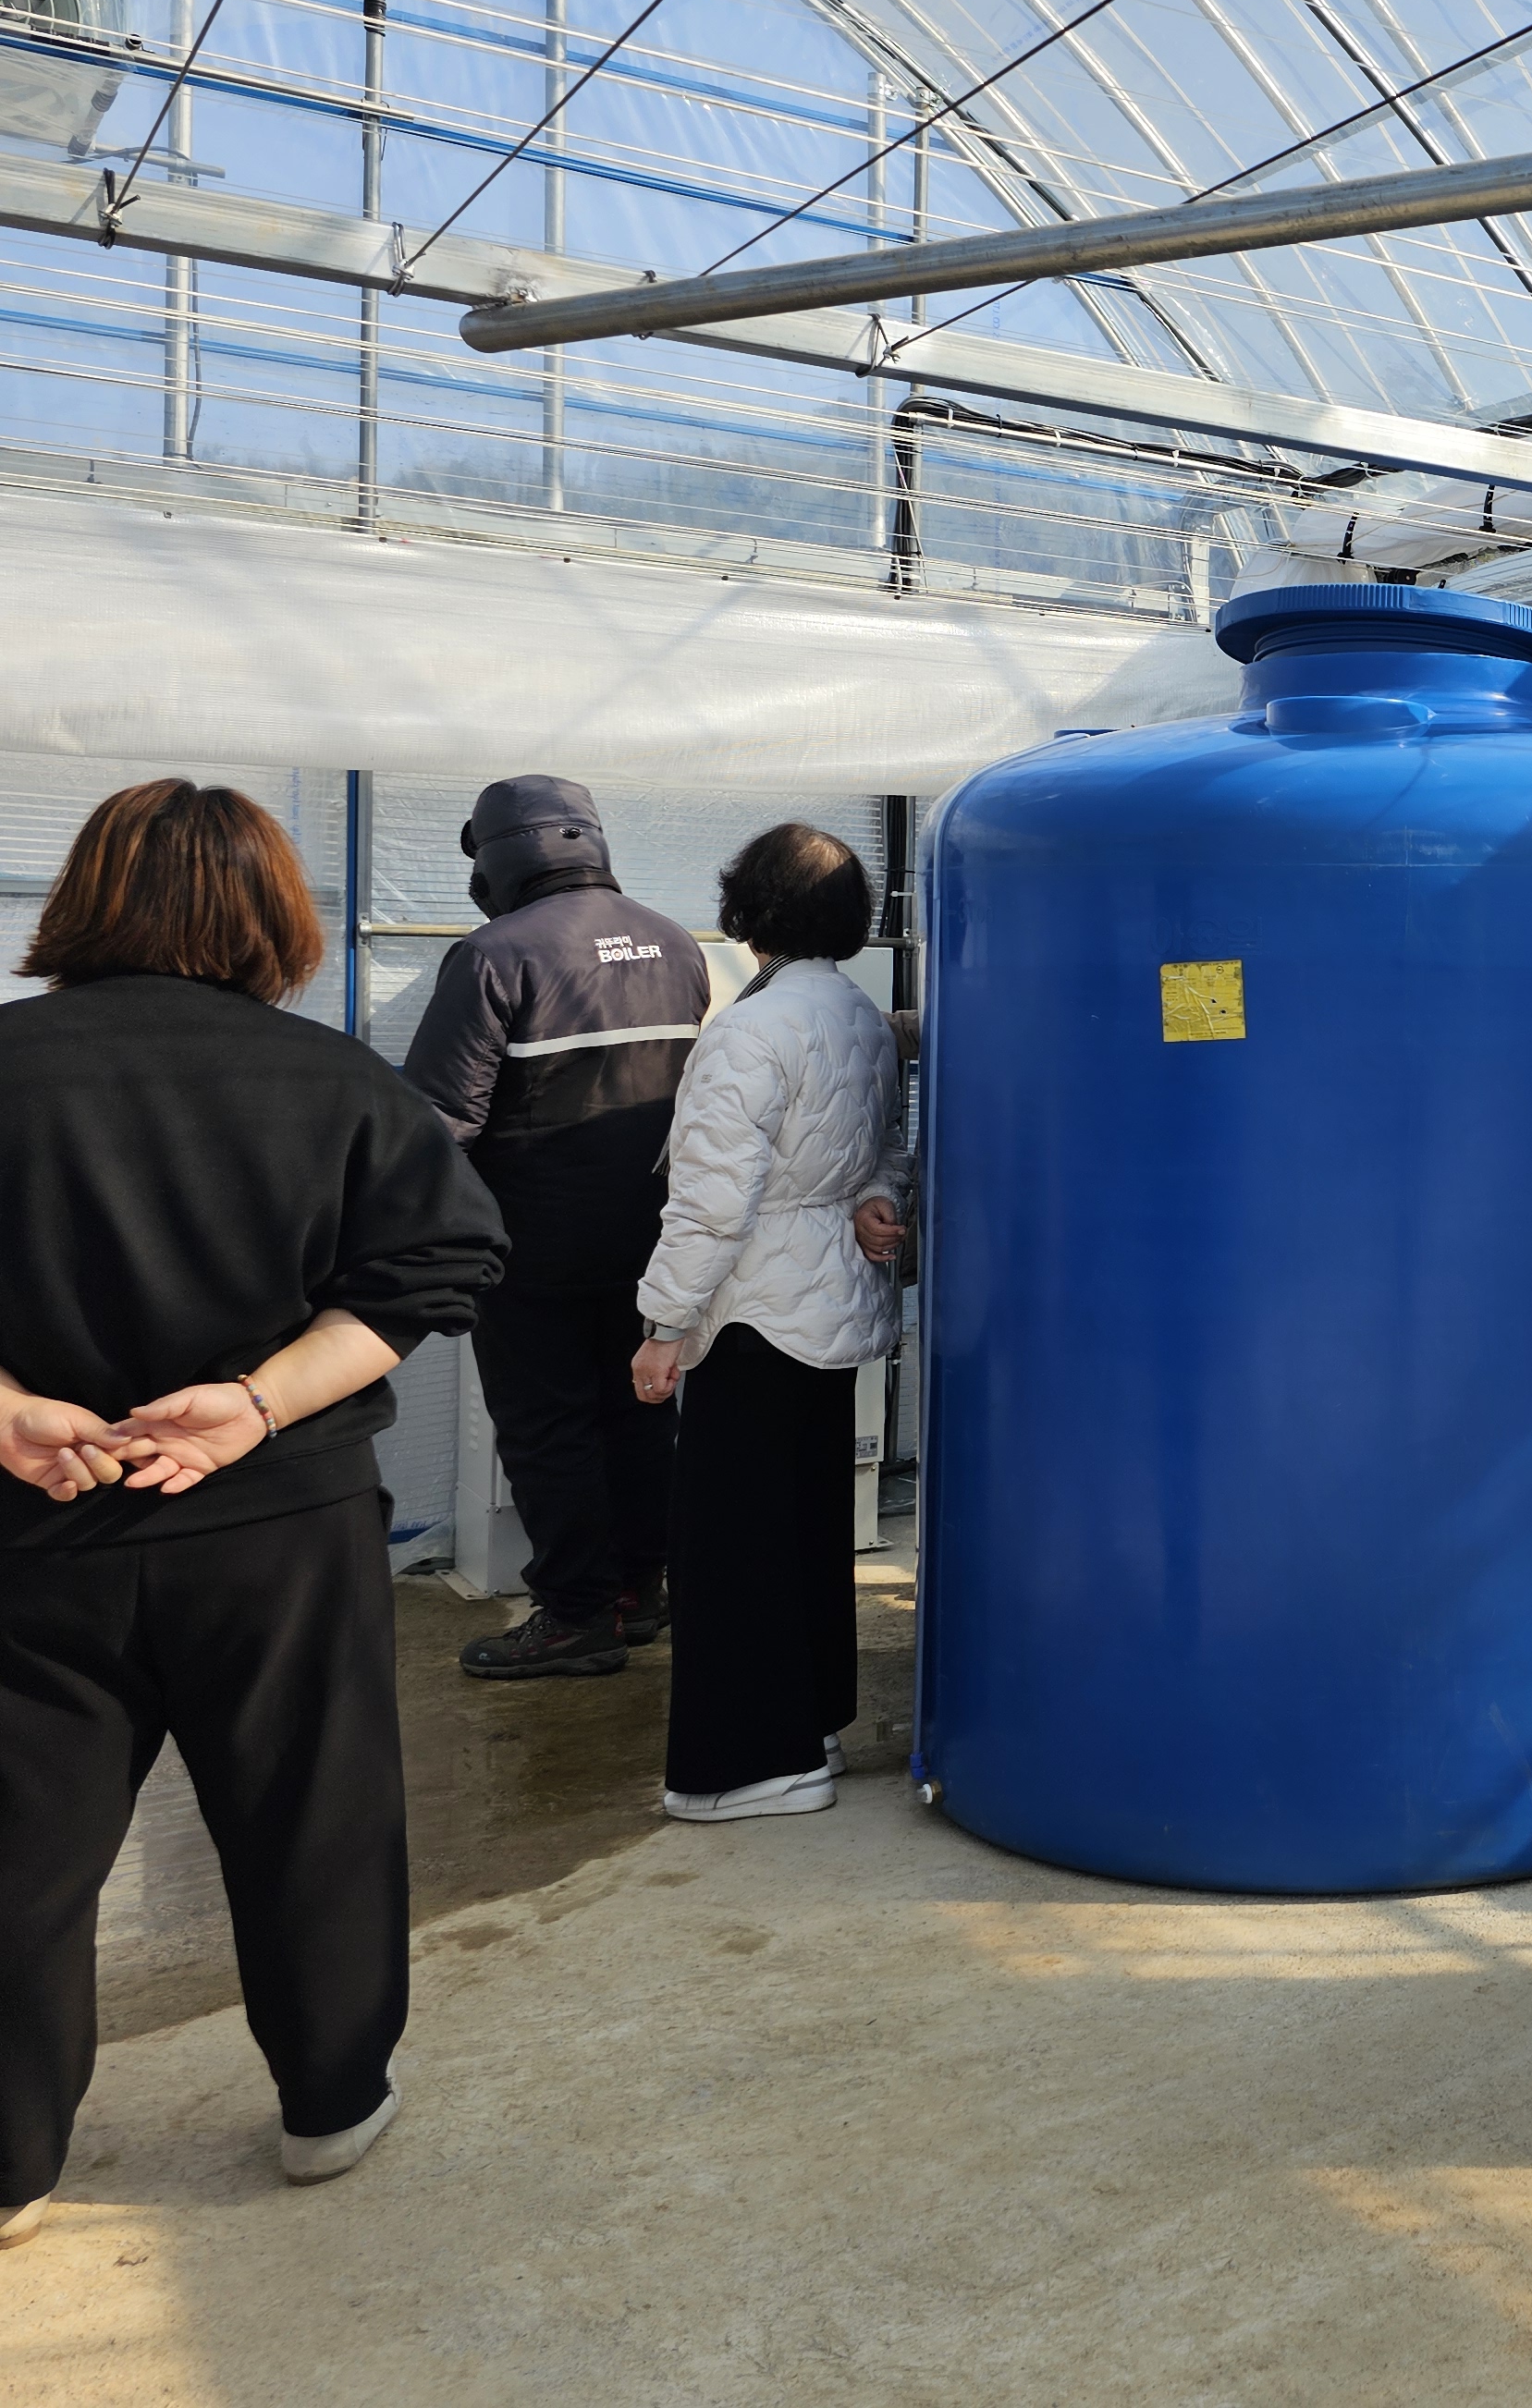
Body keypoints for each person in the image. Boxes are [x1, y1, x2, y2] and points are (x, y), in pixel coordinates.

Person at [0, 782, 508, 2246]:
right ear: (274, 912)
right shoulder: (332, 1080)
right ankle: (330, 2102)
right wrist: (259, 1402)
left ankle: (11, 2160)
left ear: (82, 896)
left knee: (19, 1847)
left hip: (34, 1525)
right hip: (279, 1525)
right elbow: (440, 1269)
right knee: (312, 1813)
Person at [629, 825, 905, 1823]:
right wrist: (875, 1199)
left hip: (752, 1309)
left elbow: (711, 1201)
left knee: (731, 1543)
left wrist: (664, 1322)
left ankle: (751, 1766)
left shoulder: (750, 1029)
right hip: (831, 1299)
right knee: (806, 1527)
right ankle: (811, 1724)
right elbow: (886, 1146)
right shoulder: (861, 1017)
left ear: (748, 910)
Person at [404, 776, 709, 1680]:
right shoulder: (675, 941)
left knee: (549, 1427)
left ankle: (576, 1615)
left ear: (499, 855)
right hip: (654, 1238)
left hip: (532, 1245)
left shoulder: (494, 954)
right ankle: (638, 1592)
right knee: (641, 1412)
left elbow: (438, 1123)